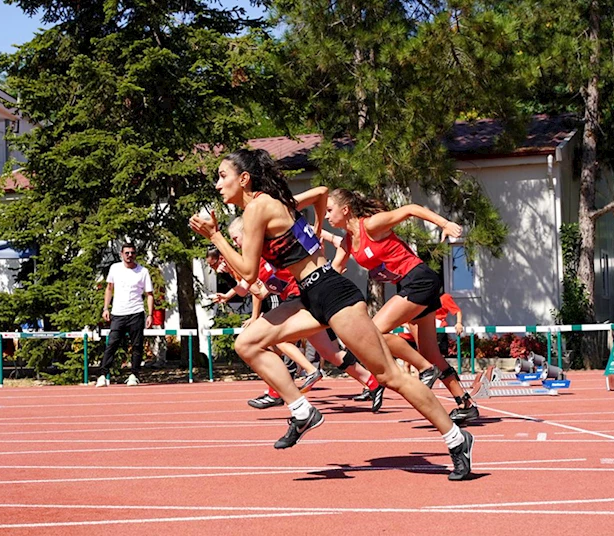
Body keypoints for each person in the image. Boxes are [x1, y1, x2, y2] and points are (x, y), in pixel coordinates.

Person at [189, 148, 472, 480]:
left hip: (332, 293)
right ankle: (302, 410)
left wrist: (215, 236)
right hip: (310, 293)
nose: (218, 184)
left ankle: (456, 438)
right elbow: (321, 195)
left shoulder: (257, 209)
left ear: (244, 178)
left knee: (390, 377)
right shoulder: (268, 204)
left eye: (223, 176)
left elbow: (249, 274)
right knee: (248, 343)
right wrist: (317, 228)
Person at [323, 188, 479, 424]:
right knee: (430, 352)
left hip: (419, 280)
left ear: (345, 210)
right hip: (409, 285)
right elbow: (334, 270)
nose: (326, 216)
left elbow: (410, 210)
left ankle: (425, 370)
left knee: (373, 332)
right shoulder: (347, 241)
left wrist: (444, 224)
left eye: (329, 210)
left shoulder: (371, 225)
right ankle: (465, 403)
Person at [227, 215, 386, 412]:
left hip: (303, 298)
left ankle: (293, 382)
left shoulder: (260, 252)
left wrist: (325, 234)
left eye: (235, 238)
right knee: (331, 353)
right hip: (299, 299)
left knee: (278, 339)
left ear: (247, 233)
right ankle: (372, 382)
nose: (235, 244)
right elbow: (252, 291)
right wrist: (225, 273)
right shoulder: (257, 258)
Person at [205, 242, 326, 404]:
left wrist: (255, 317)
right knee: (329, 353)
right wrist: (227, 293)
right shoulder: (233, 266)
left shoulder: (244, 260)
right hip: (279, 297)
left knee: (277, 341)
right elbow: (246, 288)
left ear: (221, 258)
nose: (212, 269)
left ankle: (308, 371)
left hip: (282, 299)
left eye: (213, 264)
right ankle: (277, 390)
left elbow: (257, 292)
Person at [96, 242, 154, 387]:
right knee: (112, 343)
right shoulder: (115, 268)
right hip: (118, 313)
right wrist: (105, 308)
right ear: (122, 254)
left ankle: (134, 375)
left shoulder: (143, 271)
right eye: (126, 253)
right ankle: (103, 375)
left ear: (135, 254)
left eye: (132, 253)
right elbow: (109, 289)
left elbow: (149, 294)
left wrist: (150, 314)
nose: (129, 256)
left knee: (136, 346)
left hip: (136, 312)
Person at [436, 292, 464, 357]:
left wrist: (459, 323)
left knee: (440, 354)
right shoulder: (424, 296)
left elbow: (457, 311)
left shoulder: (444, 297)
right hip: (425, 329)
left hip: (439, 329)